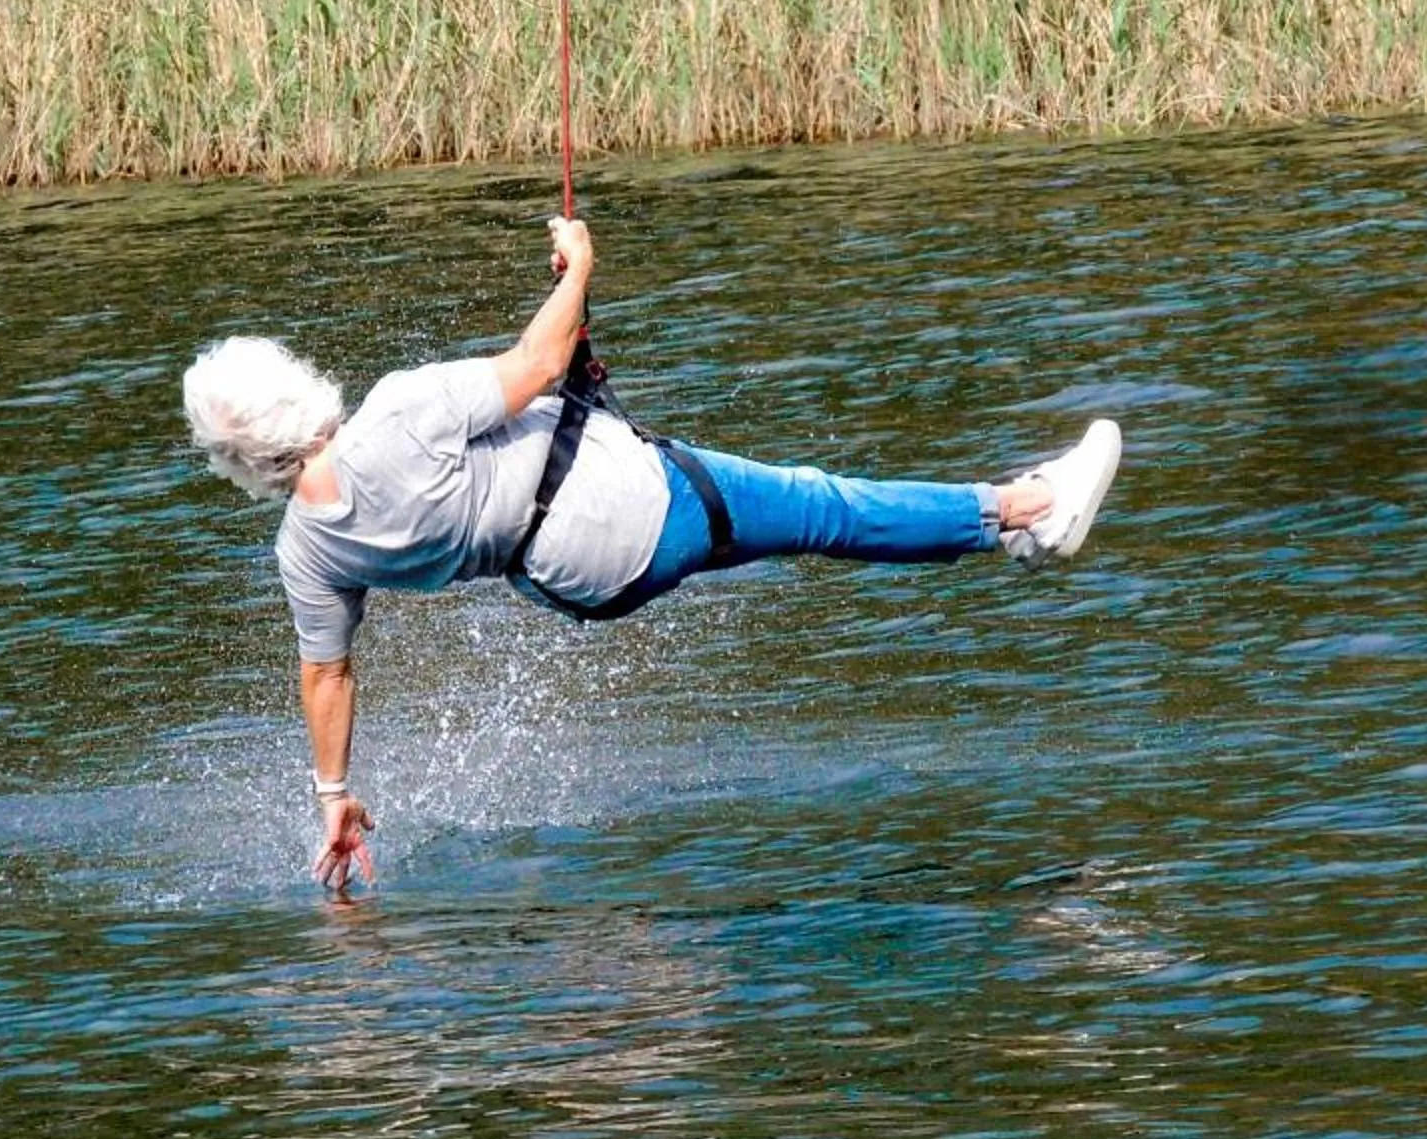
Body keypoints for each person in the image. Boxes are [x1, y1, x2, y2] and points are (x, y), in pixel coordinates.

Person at [184, 217, 1122, 889]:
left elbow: (327, 674)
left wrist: (335, 795)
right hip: (630, 507)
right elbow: (540, 363)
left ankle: (1004, 522)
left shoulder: (305, 550)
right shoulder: (393, 413)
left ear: (239, 461)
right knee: (819, 506)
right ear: (295, 386)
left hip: (581, 584)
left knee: (799, 520)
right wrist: (578, 267)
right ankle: (1028, 511)